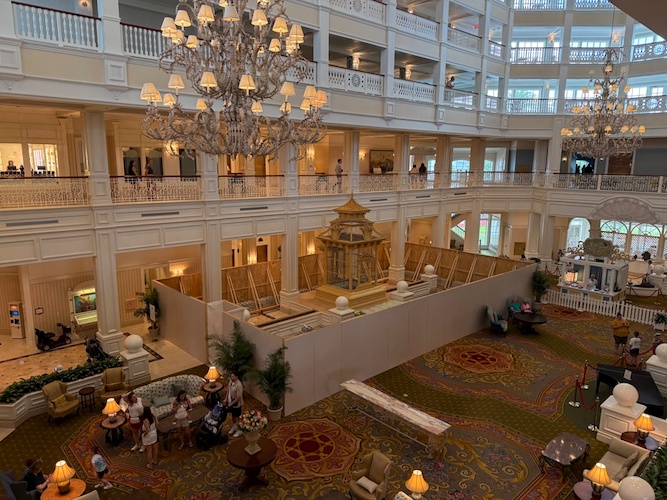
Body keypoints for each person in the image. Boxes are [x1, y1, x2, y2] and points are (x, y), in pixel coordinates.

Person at [225, 372, 244, 438]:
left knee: (238, 416)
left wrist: (231, 403)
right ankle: (234, 426)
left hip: (236, 404)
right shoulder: (231, 381)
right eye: (231, 376)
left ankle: (240, 429)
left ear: (236, 377)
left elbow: (238, 397)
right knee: (233, 415)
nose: (231, 377)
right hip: (230, 401)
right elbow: (228, 390)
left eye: (233, 376)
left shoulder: (239, 385)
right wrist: (226, 399)